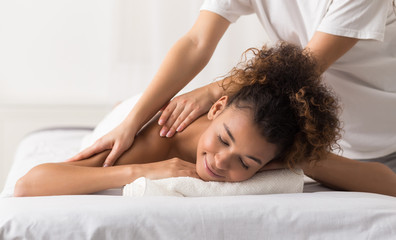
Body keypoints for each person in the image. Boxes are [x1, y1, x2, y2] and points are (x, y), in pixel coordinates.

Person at [69, 1, 396, 196]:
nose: (223, 160)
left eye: (242, 159)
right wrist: (132, 121)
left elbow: (303, 67)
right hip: (290, 128)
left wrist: (214, 89)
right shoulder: (244, 149)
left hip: (379, 133)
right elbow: (197, 41)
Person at [15, 44, 339, 196]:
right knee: (126, 112)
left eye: (247, 161)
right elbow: (29, 184)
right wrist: (144, 171)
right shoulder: (162, 136)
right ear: (216, 108)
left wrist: (300, 161)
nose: (222, 161)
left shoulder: (272, 147)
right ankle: (121, 104)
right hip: (147, 121)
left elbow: (388, 184)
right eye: (224, 139)